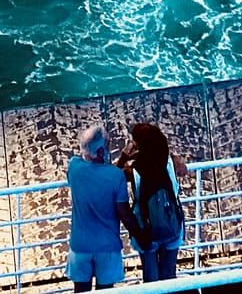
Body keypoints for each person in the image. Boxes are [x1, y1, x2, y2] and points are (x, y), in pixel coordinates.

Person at [67, 125, 142, 292]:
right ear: (101, 152)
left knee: (80, 290)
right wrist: (141, 235)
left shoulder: (74, 168)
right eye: (107, 145)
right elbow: (124, 213)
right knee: (106, 290)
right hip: (108, 247)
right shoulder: (116, 176)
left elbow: (97, 170)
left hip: (80, 246)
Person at [116, 122, 188, 282]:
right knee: (169, 275)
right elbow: (184, 170)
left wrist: (124, 157)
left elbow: (114, 174)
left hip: (146, 230)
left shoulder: (133, 172)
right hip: (171, 224)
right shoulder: (170, 163)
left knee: (150, 277)